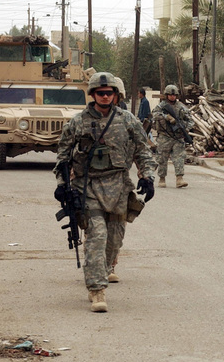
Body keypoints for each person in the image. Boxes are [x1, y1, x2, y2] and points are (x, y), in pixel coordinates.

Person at [53, 72, 156, 312]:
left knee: (114, 239)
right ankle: (96, 290)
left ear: (115, 95)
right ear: (92, 95)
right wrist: (61, 184)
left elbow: (143, 150)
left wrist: (147, 177)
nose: (105, 96)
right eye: (100, 93)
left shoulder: (128, 120)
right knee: (97, 235)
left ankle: (107, 268)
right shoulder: (77, 122)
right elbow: (63, 156)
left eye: (109, 93)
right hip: (88, 186)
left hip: (119, 187)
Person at [152, 84, 192, 188]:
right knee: (162, 159)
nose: (172, 97)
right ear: (166, 95)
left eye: (174, 95)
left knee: (179, 158)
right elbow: (154, 114)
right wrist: (166, 117)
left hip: (178, 137)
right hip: (165, 136)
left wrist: (185, 128)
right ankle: (162, 178)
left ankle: (179, 178)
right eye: (170, 95)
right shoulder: (161, 106)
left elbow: (190, 120)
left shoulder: (181, 107)